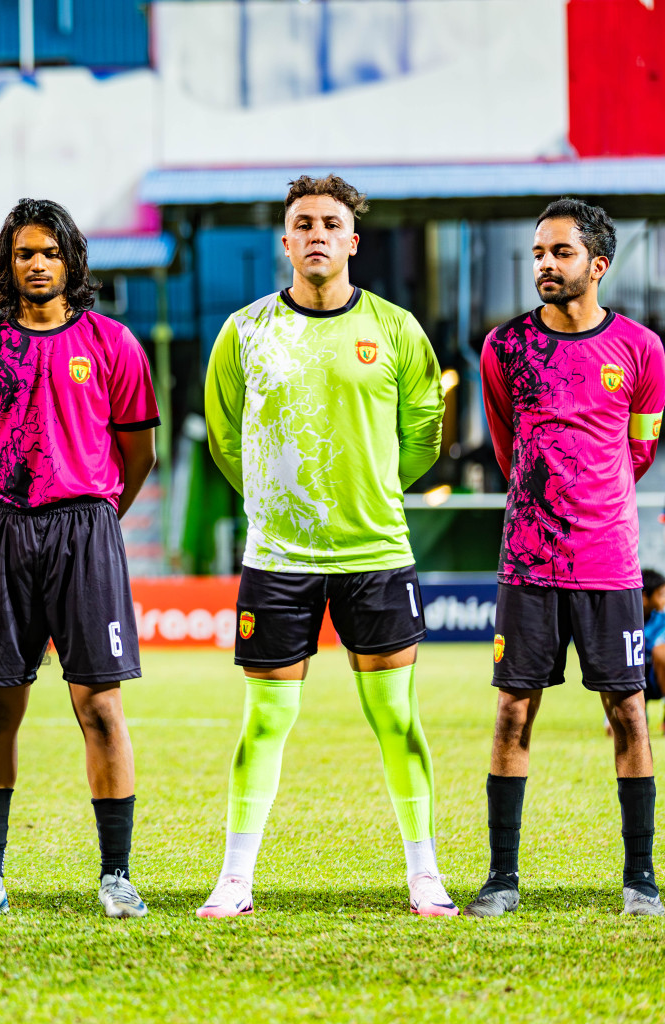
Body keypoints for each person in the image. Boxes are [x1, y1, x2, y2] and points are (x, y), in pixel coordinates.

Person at [199, 175, 452, 919]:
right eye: (302, 222)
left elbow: (423, 438)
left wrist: (372, 485)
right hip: (278, 559)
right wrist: (280, 503)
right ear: (286, 241)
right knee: (265, 720)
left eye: (330, 223)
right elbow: (223, 437)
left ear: (352, 240)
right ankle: (235, 878)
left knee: (397, 720)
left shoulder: (397, 329)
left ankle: (424, 874)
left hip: (375, 553)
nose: (316, 233)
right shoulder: (243, 332)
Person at [0, 198, 158, 920]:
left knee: (98, 706)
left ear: (71, 262)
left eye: (49, 252)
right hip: (7, 532)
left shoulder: (113, 343)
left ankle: (117, 875)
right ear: (7, 264)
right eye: (24, 253)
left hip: (85, 531)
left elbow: (138, 452)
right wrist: (8, 517)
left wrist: (92, 517)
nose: (36, 264)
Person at [469, 197, 665, 918]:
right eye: (538, 254)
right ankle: (501, 877)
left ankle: (640, 878)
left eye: (560, 253)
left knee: (629, 713)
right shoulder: (504, 348)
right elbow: (505, 443)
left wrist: (591, 498)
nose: (545, 265)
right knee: (513, 712)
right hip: (527, 561)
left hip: (608, 562)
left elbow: (638, 449)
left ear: (598, 265)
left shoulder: (642, 351)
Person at [643, 570, 665, 734]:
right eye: (660, 594)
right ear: (644, 597)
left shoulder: (662, 620)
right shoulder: (625, 620)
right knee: (615, 732)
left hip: (657, 678)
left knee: (660, 652)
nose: (664, 599)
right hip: (631, 680)